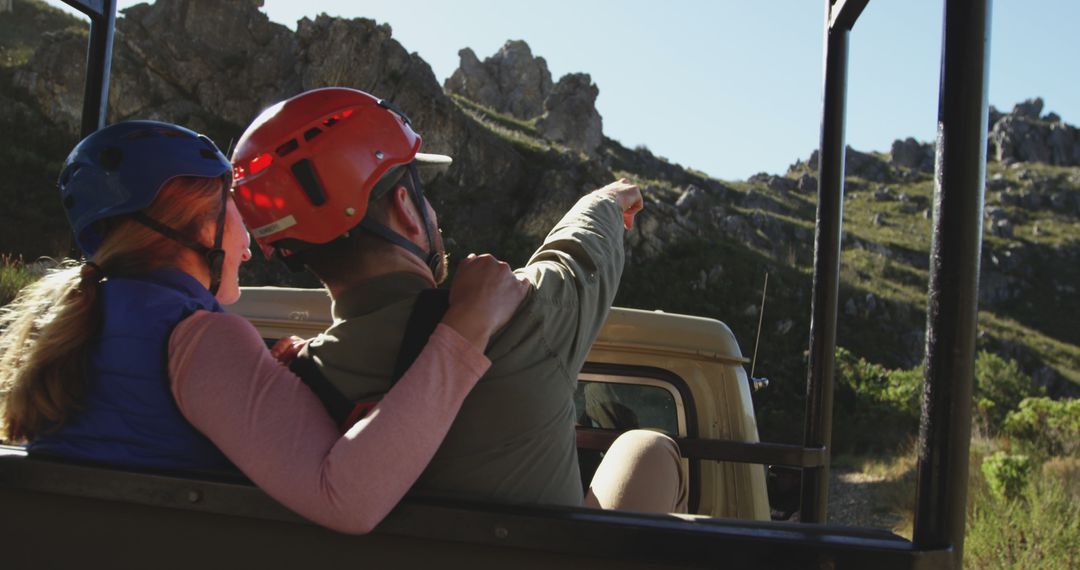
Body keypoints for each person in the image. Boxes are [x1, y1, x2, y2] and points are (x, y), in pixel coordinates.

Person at [0, 120, 529, 534]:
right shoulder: (200, 337)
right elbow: (346, 498)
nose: (250, 242)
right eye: (234, 210)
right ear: (201, 221)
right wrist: (467, 326)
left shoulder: (79, 319)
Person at [232, 88, 687, 513]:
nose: (433, 214)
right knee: (647, 448)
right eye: (424, 198)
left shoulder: (292, 381)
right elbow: (577, 257)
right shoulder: (519, 316)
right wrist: (607, 200)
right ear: (406, 210)